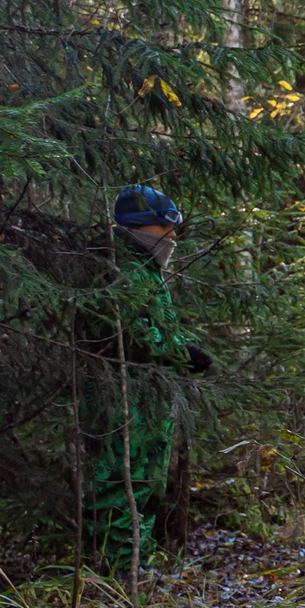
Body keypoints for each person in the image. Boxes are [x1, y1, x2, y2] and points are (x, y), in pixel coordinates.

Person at [86, 185, 210, 572]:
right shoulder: (115, 267)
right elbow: (131, 332)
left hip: (149, 401)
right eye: (164, 227)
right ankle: (116, 571)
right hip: (123, 399)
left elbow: (156, 327)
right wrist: (179, 352)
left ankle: (135, 564)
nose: (172, 237)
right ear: (140, 227)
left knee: (147, 485)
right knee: (119, 484)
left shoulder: (145, 266)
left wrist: (185, 350)